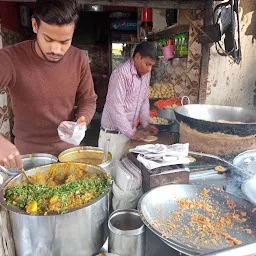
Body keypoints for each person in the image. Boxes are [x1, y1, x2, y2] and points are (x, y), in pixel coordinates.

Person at [0, 0, 97, 169]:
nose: (56, 49)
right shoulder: (10, 58)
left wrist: (82, 121)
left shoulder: (79, 59)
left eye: (64, 42)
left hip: (69, 153)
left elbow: (88, 100)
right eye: (48, 39)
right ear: (35, 25)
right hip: (28, 156)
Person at [99, 41, 158, 160]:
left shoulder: (145, 74)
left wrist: (145, 124)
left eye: (152, 65)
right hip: (113, 136)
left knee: (125, 172)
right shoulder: (120, 74)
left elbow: (144, 99)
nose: (149, 69)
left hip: (129, 133)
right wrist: (132, 133)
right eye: (147, 64)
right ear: (137, 57)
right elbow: (116, 108)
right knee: (110, 173)